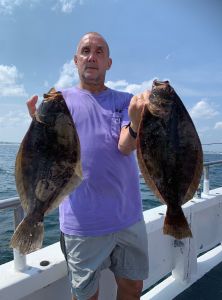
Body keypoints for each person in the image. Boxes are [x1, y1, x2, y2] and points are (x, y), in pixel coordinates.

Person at [27, 32, 150, 300]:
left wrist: (137, 123)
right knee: (85, 295)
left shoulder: (125, 101)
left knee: (133, 288)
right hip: (82, 223)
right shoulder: (59, 101)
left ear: (109, 62)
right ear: (75, 60)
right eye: (85, 51)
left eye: (99, 51)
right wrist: (39, 127)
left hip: (128, 217)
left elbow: (125, 146)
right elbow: (45, 154)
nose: (91, 57)